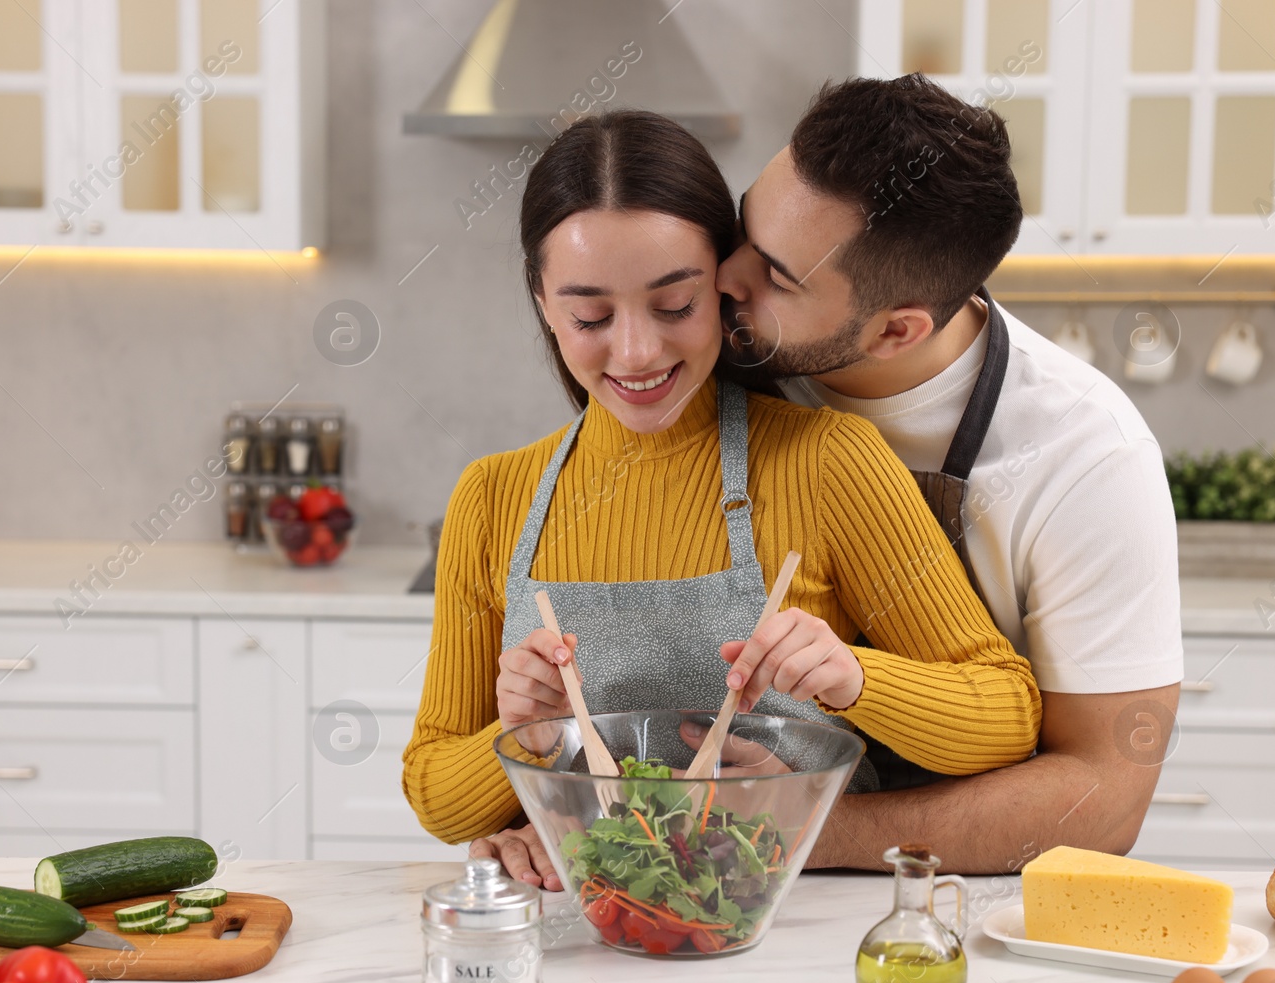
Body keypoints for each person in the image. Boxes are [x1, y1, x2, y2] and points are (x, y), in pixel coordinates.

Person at [403, 109, 1043, 890]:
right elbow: (435, 794)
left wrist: (858, 680)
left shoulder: (829, 461)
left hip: (797, 937)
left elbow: (1008, 712)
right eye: (590, 315)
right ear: (542, 300)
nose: (637, 352)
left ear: (727, 286)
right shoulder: (493, 497)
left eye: (676, 305)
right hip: (590, 936)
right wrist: (519, 739)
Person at [709, 75, 1184, 873]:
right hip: (697, 862)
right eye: (744, 226)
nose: (724, 277)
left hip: (945, 897)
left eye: (777, 277)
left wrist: (801, 830)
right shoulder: (721, 357)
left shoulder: (1089, 457)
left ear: (897, 329)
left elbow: (1103, 797)